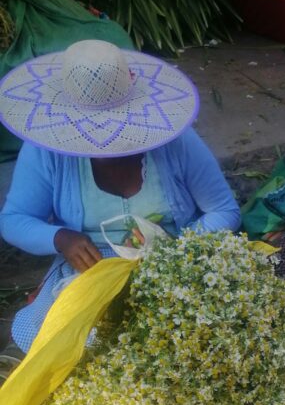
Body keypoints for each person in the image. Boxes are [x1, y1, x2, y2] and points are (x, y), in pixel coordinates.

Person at [0, 39, 240, 380]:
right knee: (65, 345)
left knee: (188, 349)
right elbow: (13, 220)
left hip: (172, 264)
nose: (106, 145)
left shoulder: (177, 142)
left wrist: (175, 251)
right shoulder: (47, 152)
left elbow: (224, 210)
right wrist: (61, 238)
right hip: (87, 271)